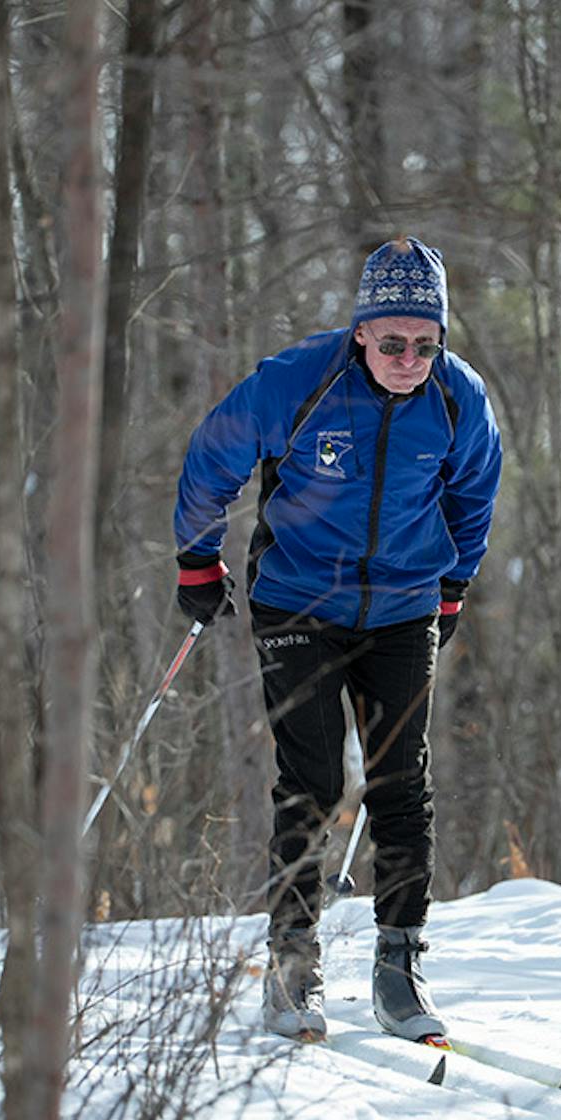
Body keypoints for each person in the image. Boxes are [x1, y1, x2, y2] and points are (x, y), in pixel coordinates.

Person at [172, 237, 503, 1042]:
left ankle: (399, 962)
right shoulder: (298, 381)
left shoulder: (458, 400)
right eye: (392, 341)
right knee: (312, 779)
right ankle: (293, 965)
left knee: (400, 783)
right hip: (298, 604)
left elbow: (474, 495)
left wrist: (452, 586)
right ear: (360, 331)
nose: (409, 358)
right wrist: (197, 559)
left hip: (401, 607)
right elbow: (214, 457)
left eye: (427, 344)